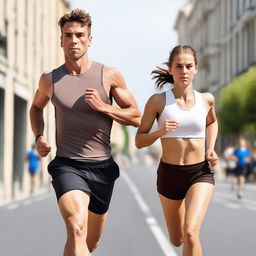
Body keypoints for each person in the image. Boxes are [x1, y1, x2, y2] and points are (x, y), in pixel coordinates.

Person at [29, 9, 140, 256]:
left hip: (102, 169)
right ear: (61, 40)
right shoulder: (50, 80)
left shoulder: (108, 75)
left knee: (89, 243)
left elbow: (135, 116)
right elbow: (36, 107)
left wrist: (104, 107)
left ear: (90, 39)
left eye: (80, 35)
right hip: (67, 165)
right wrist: (39, 136)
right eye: (68, 35)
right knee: (76, 227)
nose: (74, 40)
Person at [135, 45, 218, 256]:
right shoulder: (158, 102)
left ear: (196, 68)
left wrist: (211, 148)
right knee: (177, 238)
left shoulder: (206, 99)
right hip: (170, 174)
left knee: (191, 232)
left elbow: (212, 122)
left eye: (189, 66)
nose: (184, 71)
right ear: (171, 69)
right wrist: (159, 132)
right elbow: (139, 141)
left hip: (200, 172)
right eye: (178, 66)